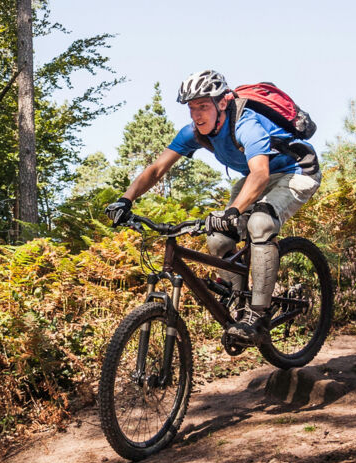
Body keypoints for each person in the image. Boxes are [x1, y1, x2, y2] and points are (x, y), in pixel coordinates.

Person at [104, 70, 322, 345]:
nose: (196, 114)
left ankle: (257, 313)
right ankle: (238, 302)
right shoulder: (194, 133)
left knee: (260, 223)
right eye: (192, 108)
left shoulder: (247, 125)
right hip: (257, 177)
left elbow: (260, 175)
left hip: (295, 172)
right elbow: (157, 169)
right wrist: (126, 200)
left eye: (203, 106)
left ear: (222, 102)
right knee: (218, 238)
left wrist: (232, 212)